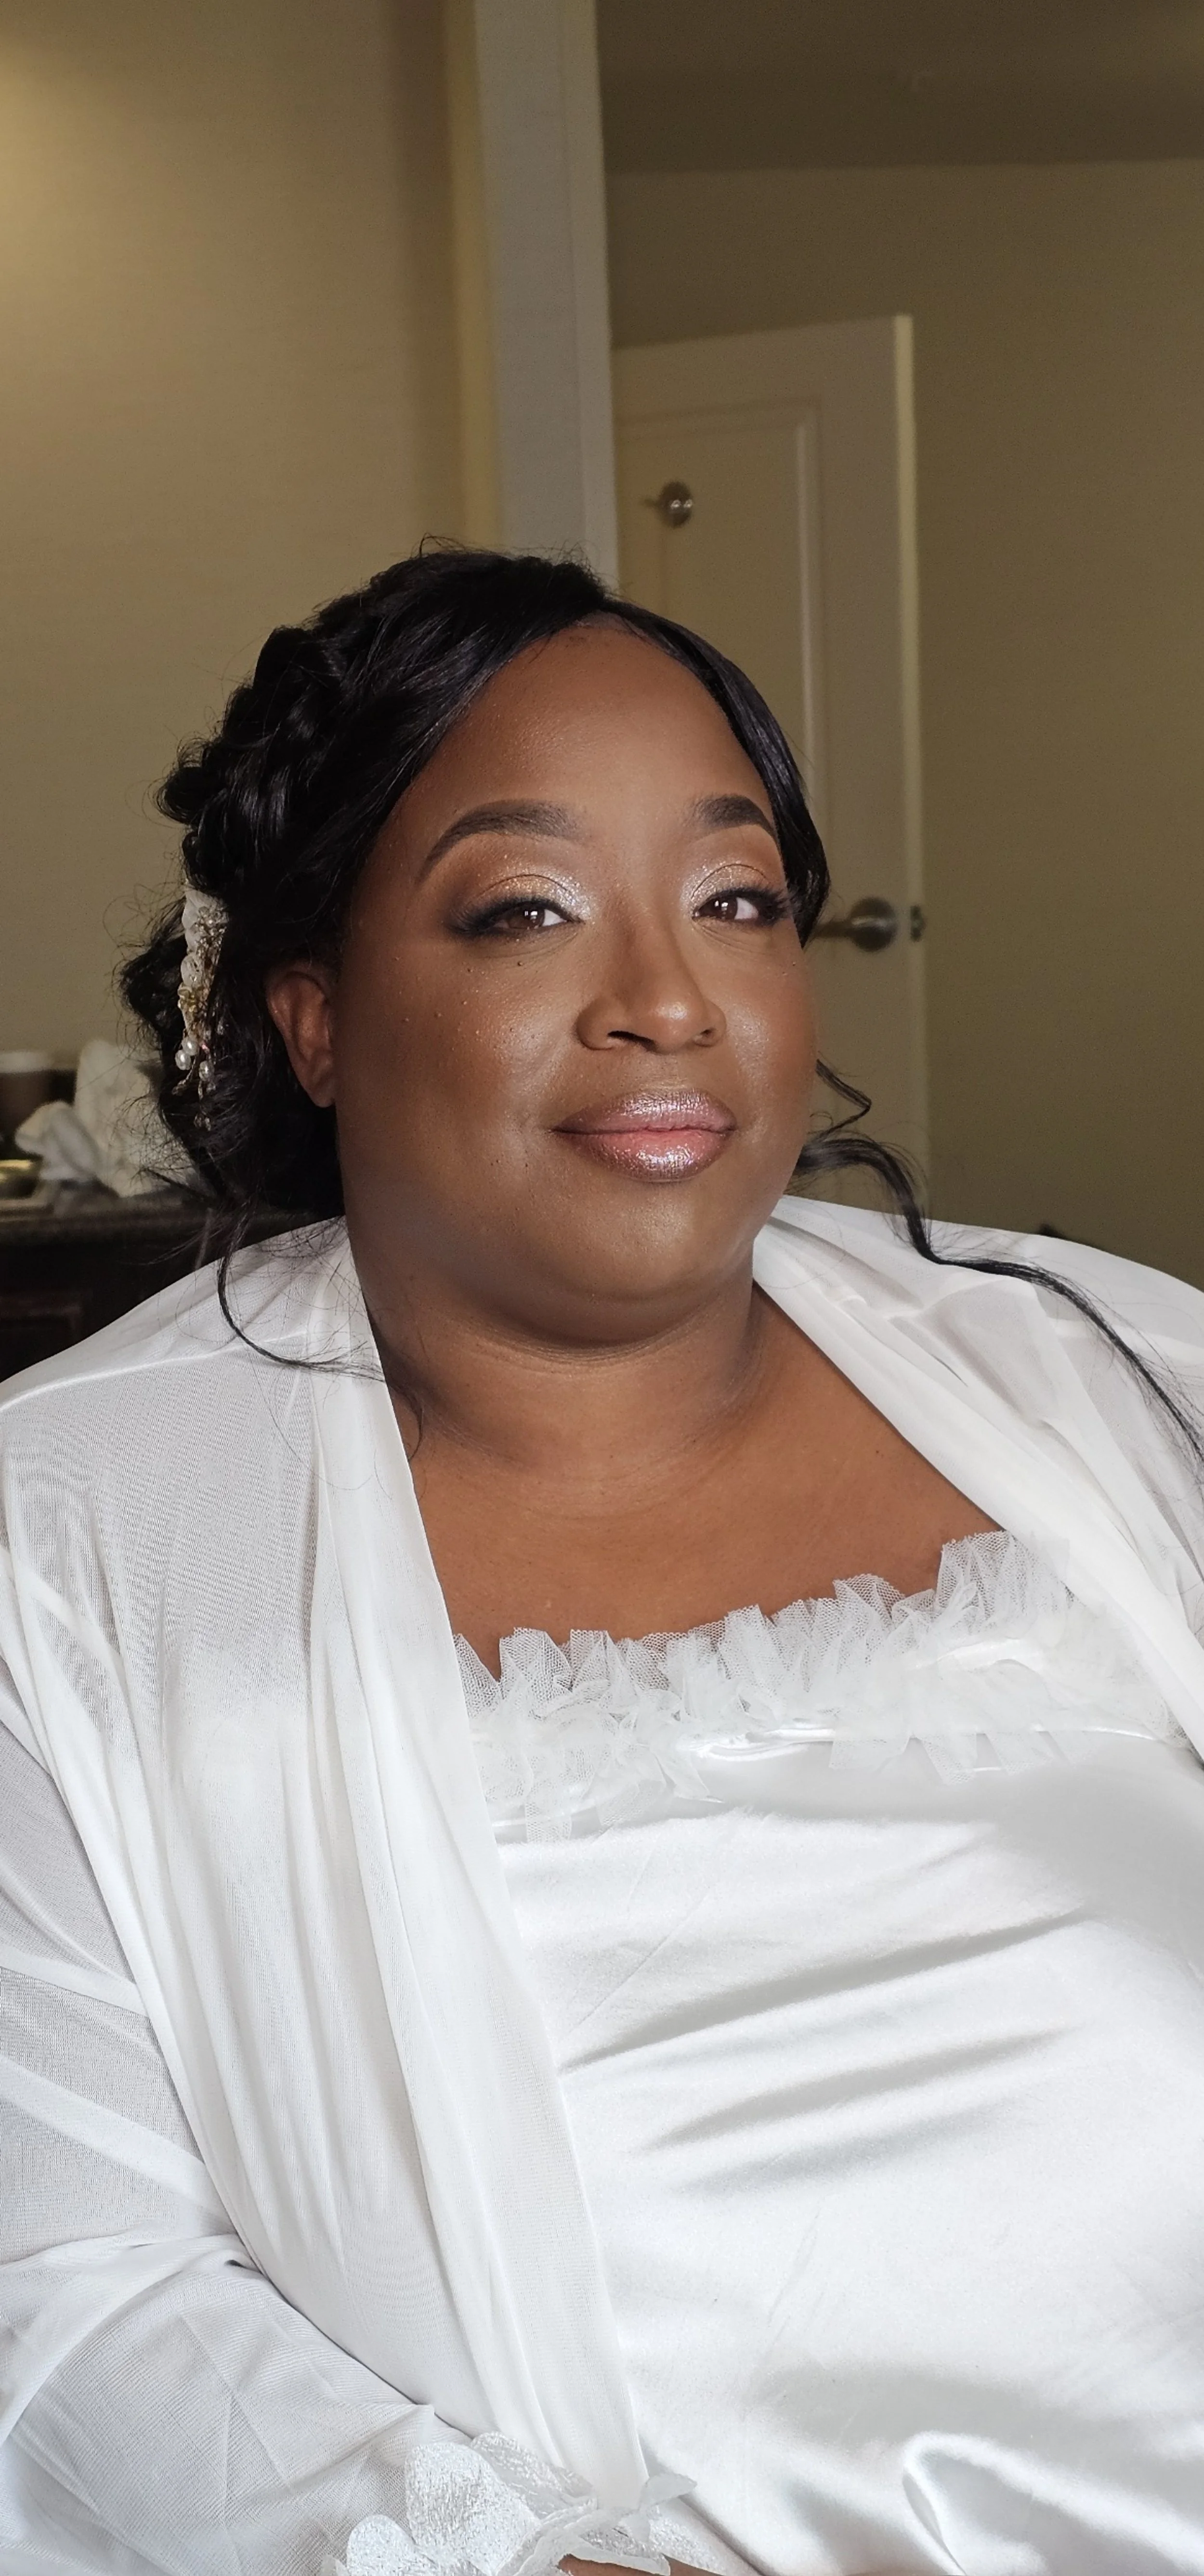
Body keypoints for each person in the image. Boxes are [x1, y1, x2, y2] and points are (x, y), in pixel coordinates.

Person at [2, 549, 1204, 2576]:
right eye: (524, 910)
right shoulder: (78, 1557)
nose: (666, 995)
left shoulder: (1115, 1381)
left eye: (735, 899)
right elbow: (63, 2277)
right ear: (311, 1012)